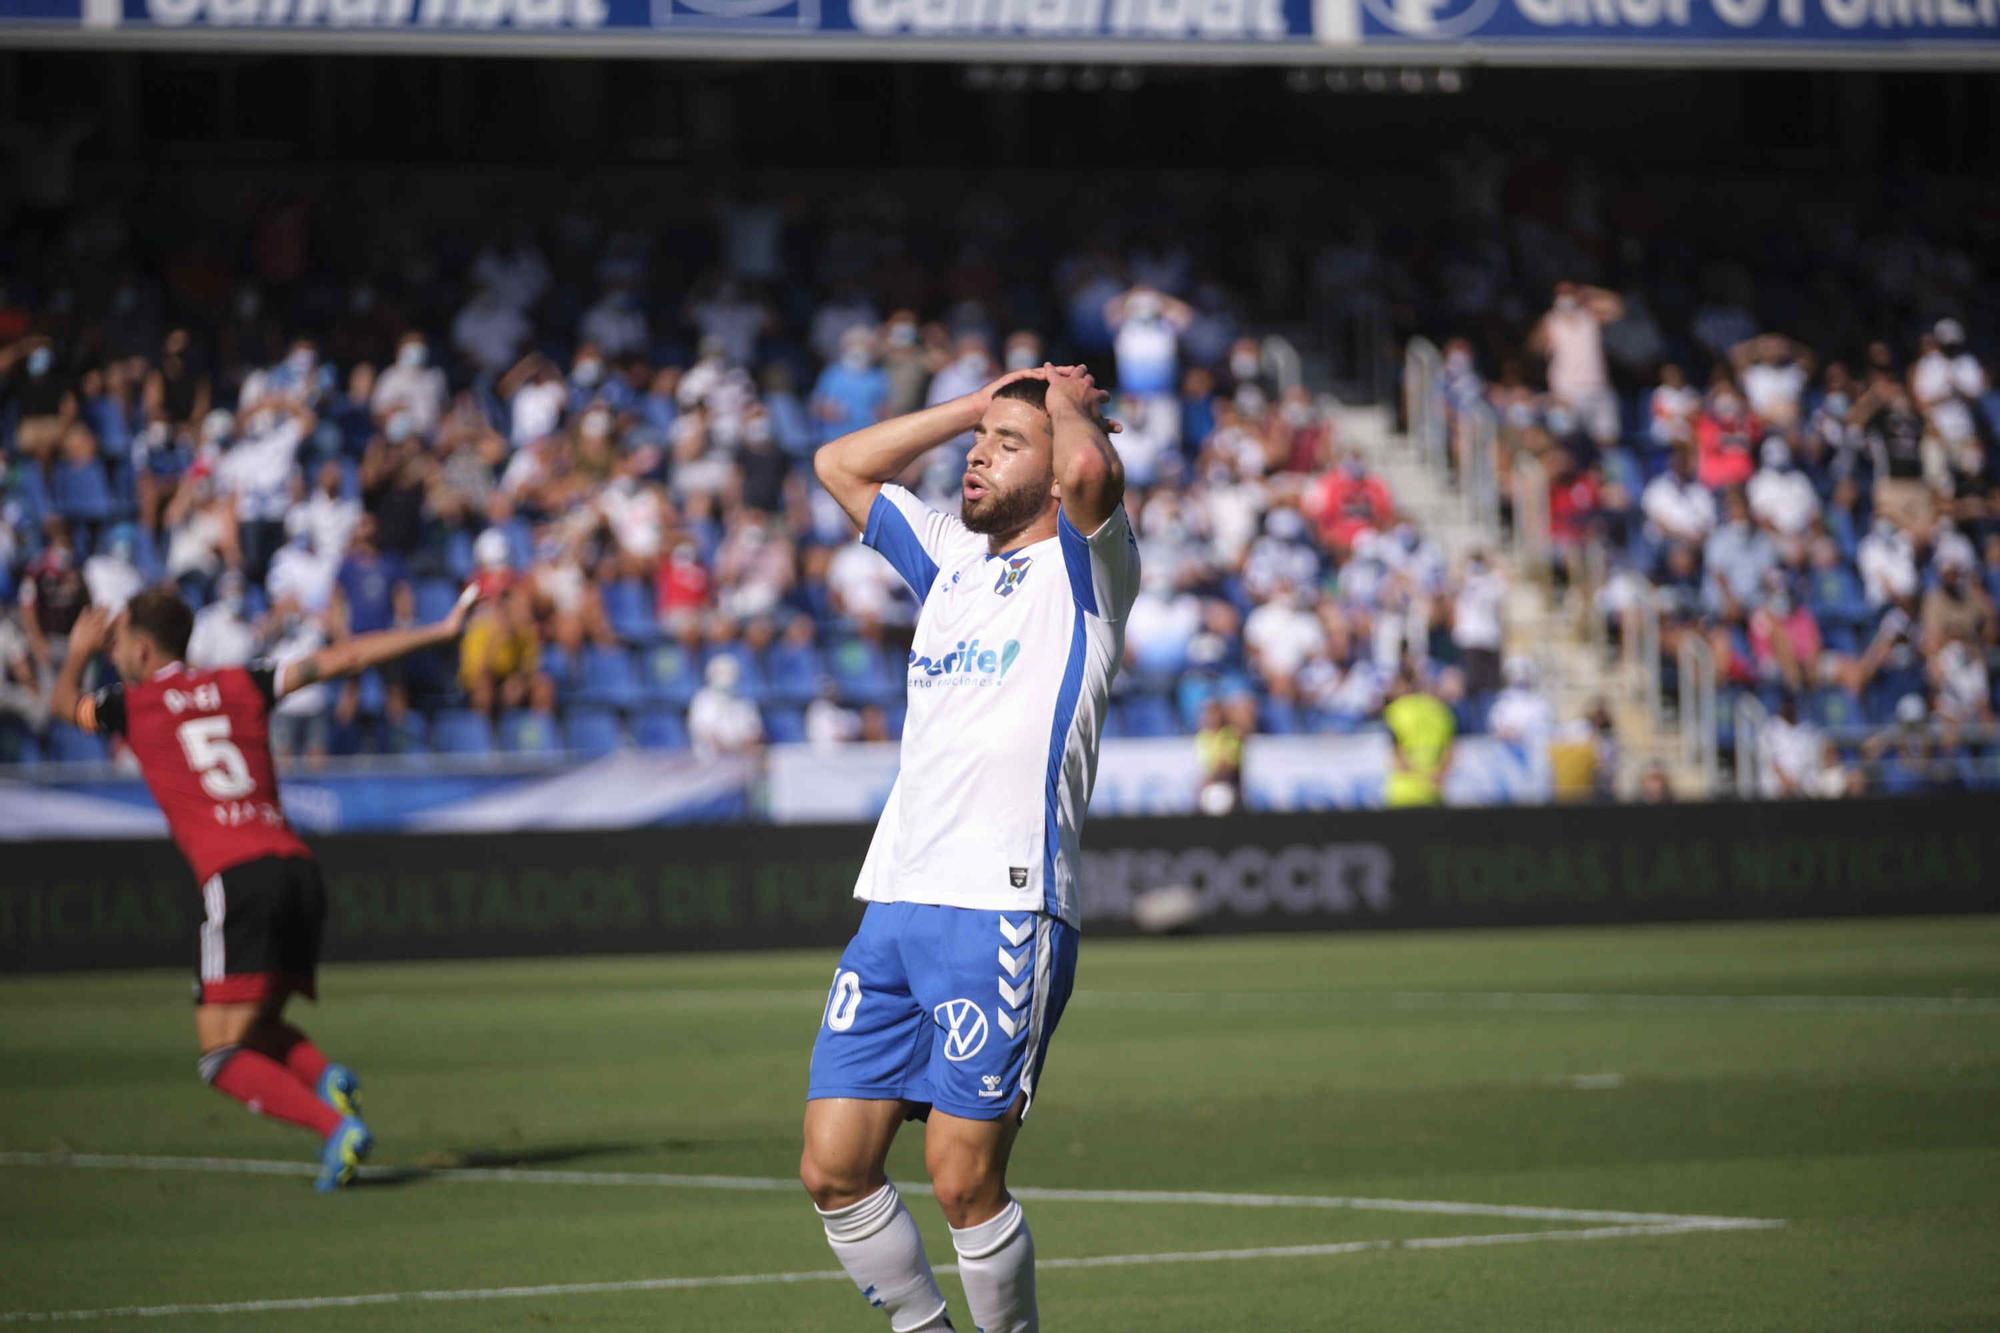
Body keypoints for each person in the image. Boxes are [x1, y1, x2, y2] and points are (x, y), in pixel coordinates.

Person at [801, 362, 1136, 1333]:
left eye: (1004, 443)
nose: (977, 456)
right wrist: (982, 400)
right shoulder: (950, 558)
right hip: (897, 899)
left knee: (959, 1180)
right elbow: (838, 465)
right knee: (831, 1168)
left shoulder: (1088, 570)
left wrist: (1058, 397)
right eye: (975, 443)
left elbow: (1087, 471)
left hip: (1005, 902)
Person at [48, 584, 480, 1190]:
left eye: (117, 644)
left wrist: (76, 653)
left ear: (142, 651)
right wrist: (438, 631)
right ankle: (327, 1078)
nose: (113, 654)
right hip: (297, 867)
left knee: (219, 1056)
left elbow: (63, 703)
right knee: (253, 1031)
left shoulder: (132, 704)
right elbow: (345, 658)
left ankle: (336, 1127)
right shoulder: (242, 682)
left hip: (238, 877)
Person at [1382, 664, 1454, 807]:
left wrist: (1418, 776)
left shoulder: (1395, 711)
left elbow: (1396, 756)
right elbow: (1450, 753)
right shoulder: (1442, 711)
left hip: (1403, 794)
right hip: (1433, 792)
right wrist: (1434, 777)